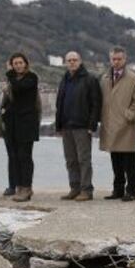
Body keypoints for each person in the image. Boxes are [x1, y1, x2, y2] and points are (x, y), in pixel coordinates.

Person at [99, 46, 135, 201]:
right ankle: (117, 190)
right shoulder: (104, 79)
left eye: (119, 59)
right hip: (110, 124)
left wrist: (128, 116)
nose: (116, 62)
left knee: (129, 160)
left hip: (126, 125)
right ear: (110, 59)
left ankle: (131, 191)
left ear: (125, 60)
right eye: (114, 59)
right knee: (115, 159)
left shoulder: (134, 79)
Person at [55, 51, 102, 201]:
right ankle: (74, 188)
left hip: (82, 126)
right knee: (70, 160)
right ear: (65, 63)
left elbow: (96, 103)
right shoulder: (65, 79)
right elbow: (59, 103)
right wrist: (59, 124)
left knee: (84, 160)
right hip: (67, 126)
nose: (72, 63)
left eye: (74, 60)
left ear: (80, 61)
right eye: (69, 60)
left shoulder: (90, 79)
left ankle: (86, 190)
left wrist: (92, 124)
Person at [0, 52, 41, 202]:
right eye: (15, 63)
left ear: (25, 63)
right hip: (12, 124)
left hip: (26, 124)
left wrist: (9, 73)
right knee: (14, 157)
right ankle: (18, 186)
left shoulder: (31, 78)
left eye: (20, 63)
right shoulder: (11, 80)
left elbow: (19, 88)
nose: (18, 66)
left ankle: (27, 187)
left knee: (25, 157)